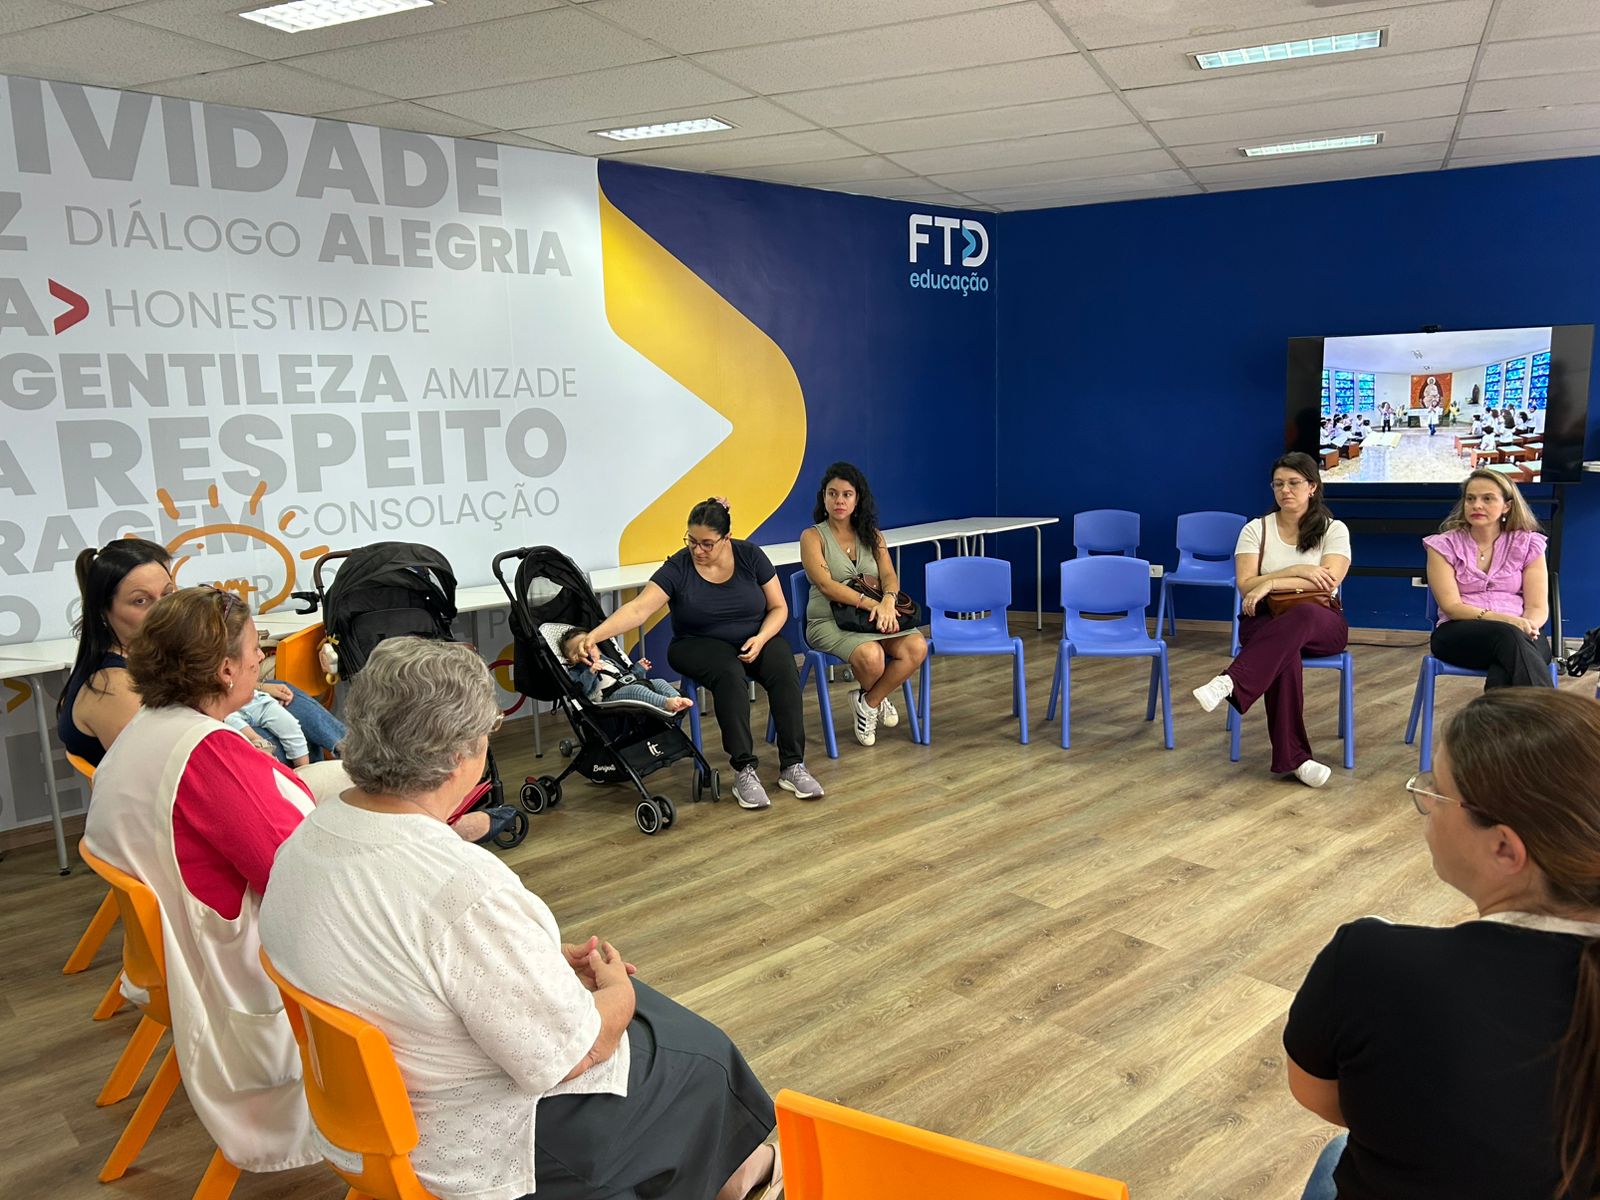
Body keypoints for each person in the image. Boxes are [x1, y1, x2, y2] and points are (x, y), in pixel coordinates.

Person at [259, 638, 781, 1200]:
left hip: (360, 1122)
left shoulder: (305, 838)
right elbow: (570, 1056)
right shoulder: (458, 887)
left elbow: (401, 954)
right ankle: (737, 1174)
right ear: (458, 755)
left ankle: (727, 1170)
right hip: (466, 1145)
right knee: (700, 1057)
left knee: (661, 1030)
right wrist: (617, 996)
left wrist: (534, 958)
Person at [1286, 689, 1600, 1200]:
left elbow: (1320, 1095)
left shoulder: (1371, 963)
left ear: (1505, 847)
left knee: (1338, 1152)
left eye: (1437, 791)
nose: (1426, 803)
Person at [83, 586, 318, 1176]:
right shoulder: (207, 755)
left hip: (163, 965)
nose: (262, 656)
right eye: (256, 646)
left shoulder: (146, 729)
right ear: (225, 669)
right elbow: (295, 878)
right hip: (233, 970)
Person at [578, 498, 822, 810]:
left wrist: (761, 638)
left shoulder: (750, 555)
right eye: (692, 541)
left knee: (784, 667)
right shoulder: (678, 567)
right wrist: (594, 636)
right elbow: (638, 609)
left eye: (707, 544)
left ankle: (793, 765)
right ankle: (744, 770)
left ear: (727, 538)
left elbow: (778, 608)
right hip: (696, 644)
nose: (698, 550)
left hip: (755, 637)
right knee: (729, 673)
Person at [57, 538, 346, 765]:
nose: (163, 609)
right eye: (141, 601)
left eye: (168, 594)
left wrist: (257, 688)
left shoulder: (146, 656)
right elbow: (172, 766)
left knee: (281, 693)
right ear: (103, 611)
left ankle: (350, 754)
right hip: (183, 784)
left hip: (197, 747)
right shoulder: (114, 688)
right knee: (291, 734)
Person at [1191, 452, 1351, 788]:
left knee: (1302, 615)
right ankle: (1296, 761)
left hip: (1320, 619)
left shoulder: (1333, 529)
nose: (1285, 490)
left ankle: (1231, 680)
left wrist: (1272, 583)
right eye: (1278, 484)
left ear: (1313, 486)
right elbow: (1245, 585)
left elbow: (1328, 581)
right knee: (1284, 655)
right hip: (1264, 618)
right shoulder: (1255, 529)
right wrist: (1298, 569)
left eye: (1294, 483)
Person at [799, 462, 928, 747]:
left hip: (874, 616)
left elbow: (889, 576)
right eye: (832, 494)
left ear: (857, 499)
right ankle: (877, 698)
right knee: (871, 655)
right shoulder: (812, 537)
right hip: (829, 621)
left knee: (917, 646)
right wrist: (872, 605)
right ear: (823, 498)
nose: (839, 501)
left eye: (847, 494)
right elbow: (826, 586)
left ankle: (869, 701)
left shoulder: (873, 534)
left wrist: (888, 601)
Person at [1423, 470, 1553, 690]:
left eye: (1487, 499)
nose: (1477, 505)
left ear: (1507, 506)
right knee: (1511, 640)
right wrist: (1508, 621)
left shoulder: (1528, 543)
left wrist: (1526, 625)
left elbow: (1537, 607)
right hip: (1459, 632)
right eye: (1470, 499)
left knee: (1507, 663)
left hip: (1523, 631)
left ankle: (1501, 715)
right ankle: (1551, 711)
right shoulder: (1443, 546)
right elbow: (1452, 607)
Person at [559, 628, 693, 714]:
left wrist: (639, 669)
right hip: (608, 696)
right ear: (570, 660)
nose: (586, 652)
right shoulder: (577, 671)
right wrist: (590, 672)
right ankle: (665, 702)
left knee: (658, 682)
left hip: (627, 684)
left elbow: (627, 676)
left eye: (589, 646)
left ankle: (676, 698)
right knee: (637, 691)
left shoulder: (607, 661)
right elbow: (582, 691)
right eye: (578, 651)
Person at [224, 689, 315, 766]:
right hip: (225, 707)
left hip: (255, 700)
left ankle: (304, 771)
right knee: (257, 743)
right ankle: (260, 744)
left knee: (291, 726)